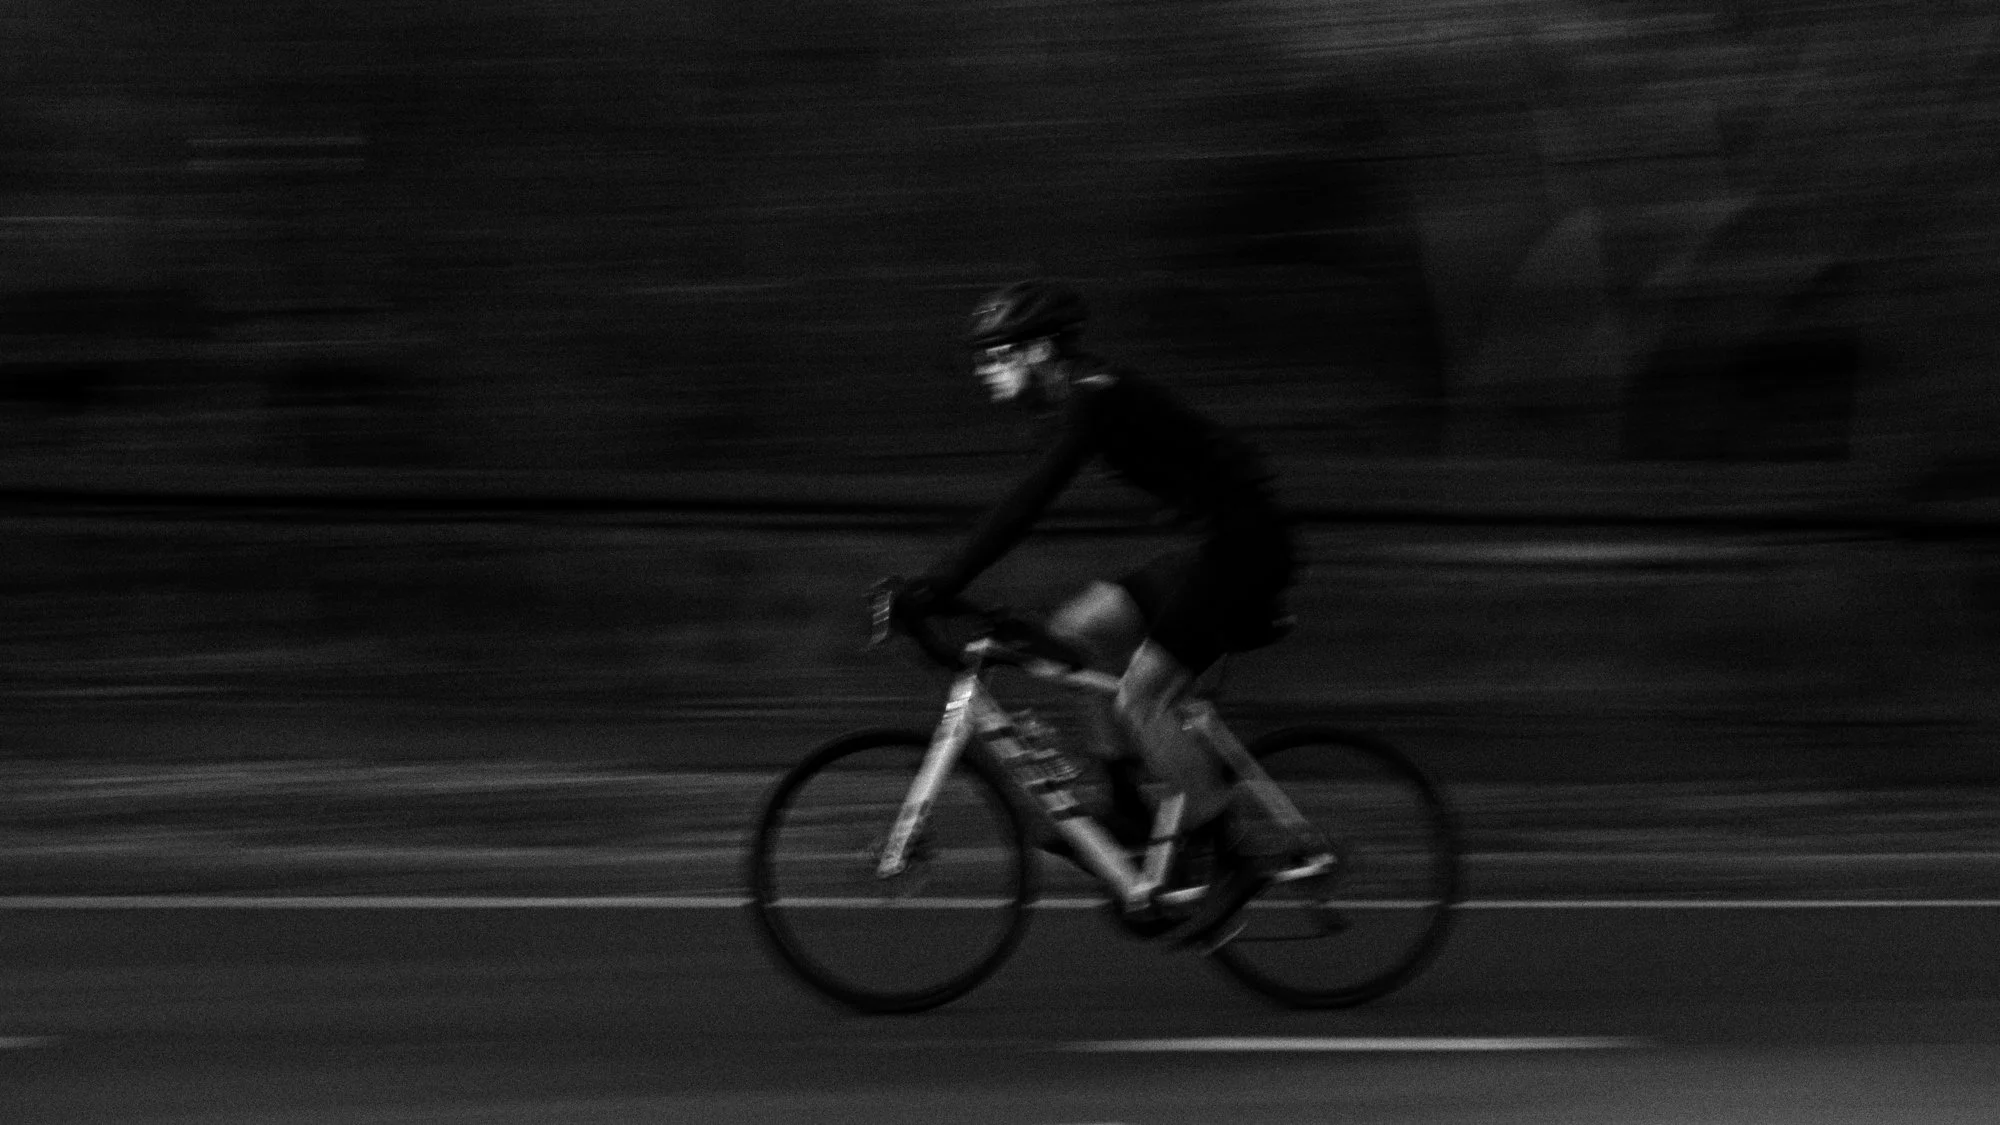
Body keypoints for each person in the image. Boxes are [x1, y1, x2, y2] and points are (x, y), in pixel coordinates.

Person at [900, 278, 1303, 947]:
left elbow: (1028, 501)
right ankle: (1126, 805)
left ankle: (1232, 856)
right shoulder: (1077, 396)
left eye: (998, 353)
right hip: (1216, 546)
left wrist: (940, 582)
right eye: (981, 357)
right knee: (1069, 634)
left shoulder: (1093, 394)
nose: (984, 369)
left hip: (1246, 552)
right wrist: (943, 586)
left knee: (1142, 701)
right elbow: (1026, 499)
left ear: (1041, 350)